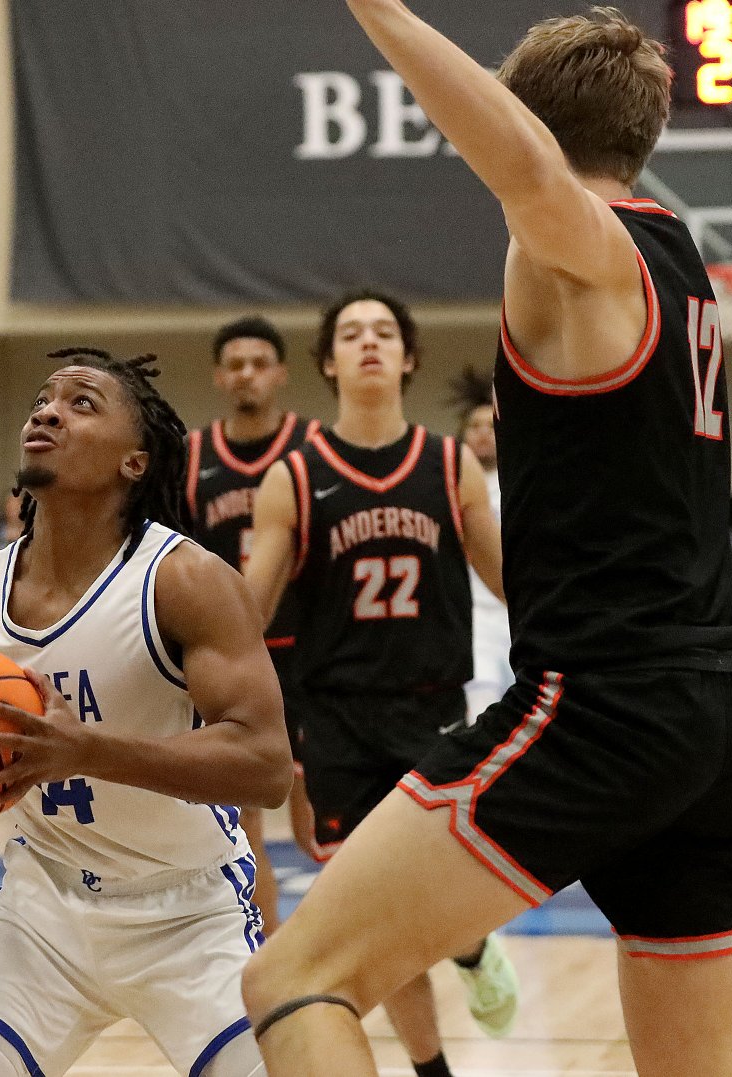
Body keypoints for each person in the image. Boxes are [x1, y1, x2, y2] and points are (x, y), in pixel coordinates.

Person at [241, 8, 732, 1077]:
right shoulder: (679, 258)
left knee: (291, 978)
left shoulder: (582, 246)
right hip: (719, 710)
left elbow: (531, 173)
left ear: (522, 119)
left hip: (608, 707)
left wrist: (379, 8)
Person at [0, 347, 290, 1077]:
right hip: (43, 912)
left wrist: (83, 749)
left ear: (135, 460)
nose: (46, 410)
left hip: (189, 913)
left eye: (82, 402)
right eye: (42, 399)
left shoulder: (185, 580)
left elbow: (265, 767)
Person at [243, 290, 517, 1077]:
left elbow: (511, 586)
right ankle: (433, 1067)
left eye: (385, 332)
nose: (369, 343)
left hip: (432, 710)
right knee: (376, 916)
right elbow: (250, 612)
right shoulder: (292, 478)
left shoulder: (449, 464)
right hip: (335, 718)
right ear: (327, 361)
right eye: (351, 334)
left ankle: (467, 945)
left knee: (428, 905)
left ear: (409, 356)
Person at [185, 314, 318, 932]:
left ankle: (328, 960)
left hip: (315, 656)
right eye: (235, 363)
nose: (247, 374)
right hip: (231, 661)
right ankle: (262, 963)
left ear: (280, 373)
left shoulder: (312, 450)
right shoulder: (189, 459)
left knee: (322, 833)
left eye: (259, 362)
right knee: (245, 829)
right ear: (219, 376)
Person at [449, 368, 514, 724]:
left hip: (516, 612)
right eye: (474, 427)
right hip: (473, 614)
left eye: (490, 425)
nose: (482, 434)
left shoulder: (519, 480)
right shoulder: (453, 480)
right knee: (482, 718)